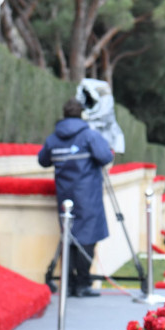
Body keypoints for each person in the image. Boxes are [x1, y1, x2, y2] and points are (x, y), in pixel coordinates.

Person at [37, 98, 115, 297]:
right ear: (81, 114)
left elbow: (43, 160)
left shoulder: (53, 139)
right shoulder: (89, 136)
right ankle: (82, 283)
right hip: (88, 196)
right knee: (87, 239)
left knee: (68, 237)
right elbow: (106, 157)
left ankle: (70, 282)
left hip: (65, 195)